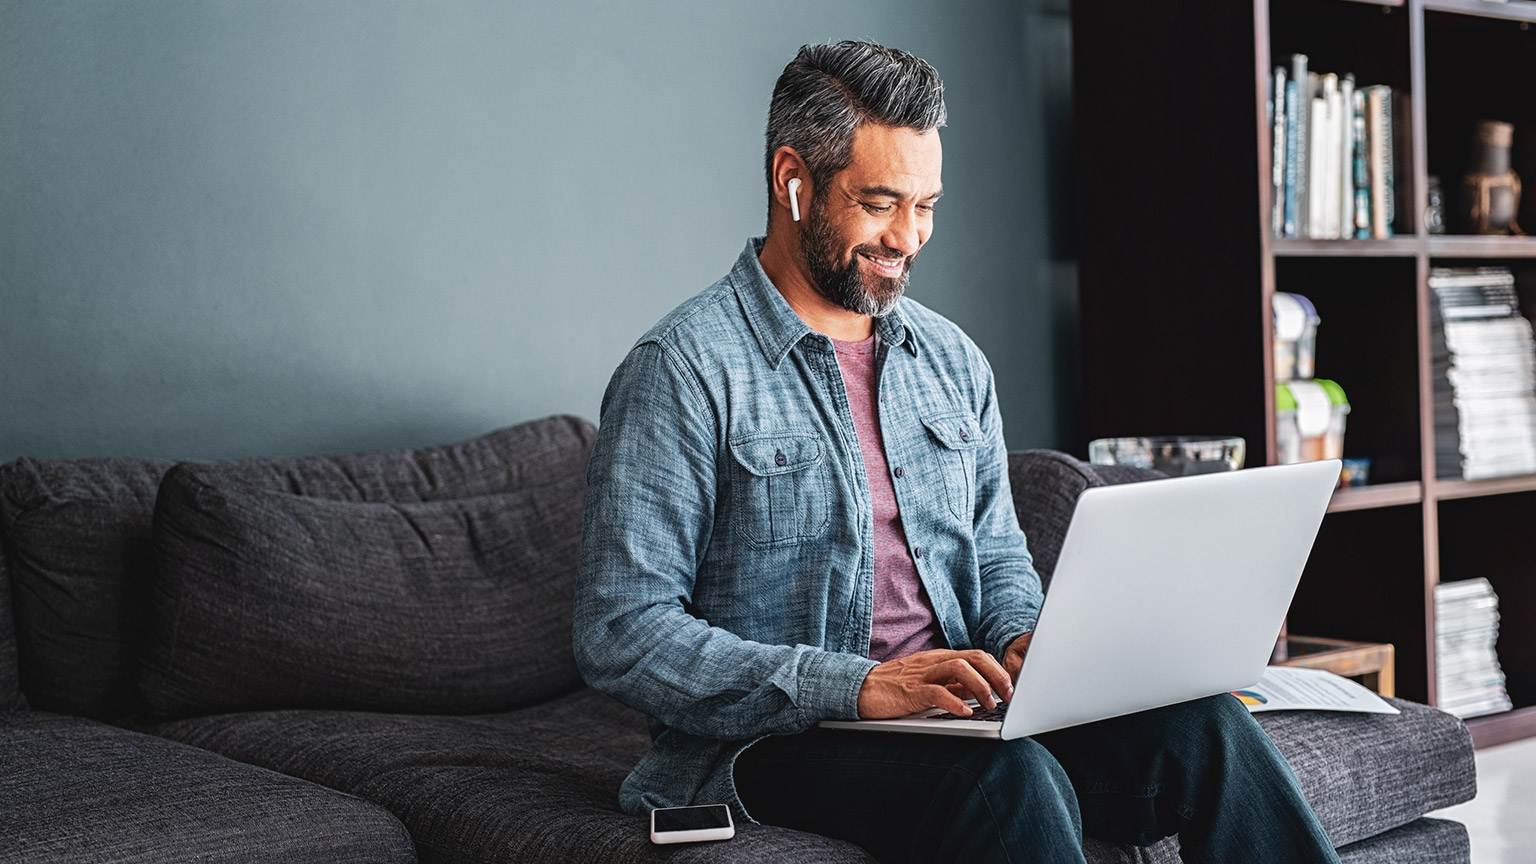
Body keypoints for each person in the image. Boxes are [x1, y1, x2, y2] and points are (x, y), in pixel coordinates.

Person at [573, 40, 1339, 863]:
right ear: (792, 179)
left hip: (961, 713)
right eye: (879, 203)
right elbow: (623, 631)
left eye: (927, 204)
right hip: (774, 741)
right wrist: (861, 686)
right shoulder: (684, 370)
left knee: (1206, 727)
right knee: (1008, 780)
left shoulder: (950, 360)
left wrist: (1023, 640)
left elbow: (999, 551)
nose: (909, 237)